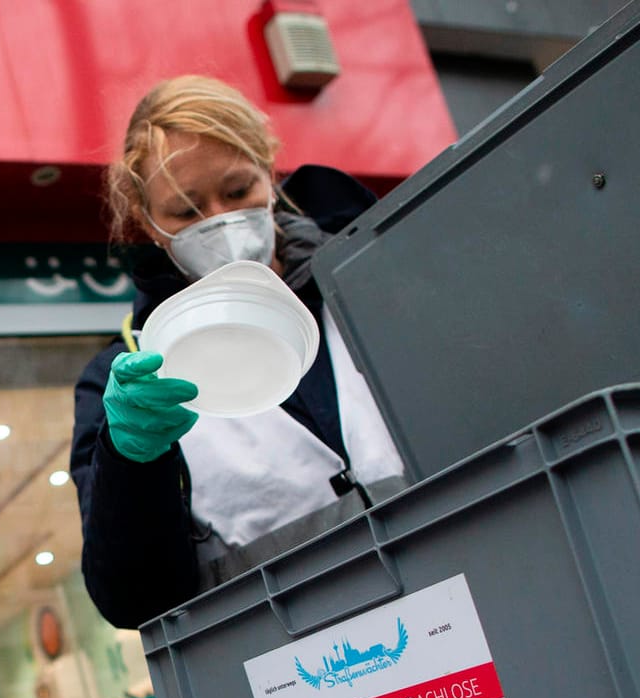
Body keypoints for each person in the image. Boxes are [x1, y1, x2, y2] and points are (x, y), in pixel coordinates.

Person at [70, 76, 408, 629]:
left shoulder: (369, 285)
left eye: (236, 191)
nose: (219, 222)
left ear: (270, 173)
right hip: (309, 671)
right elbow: (133, 599)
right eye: (184, 210)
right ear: (150, 225)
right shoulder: (126, 375)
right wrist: (130, 463)